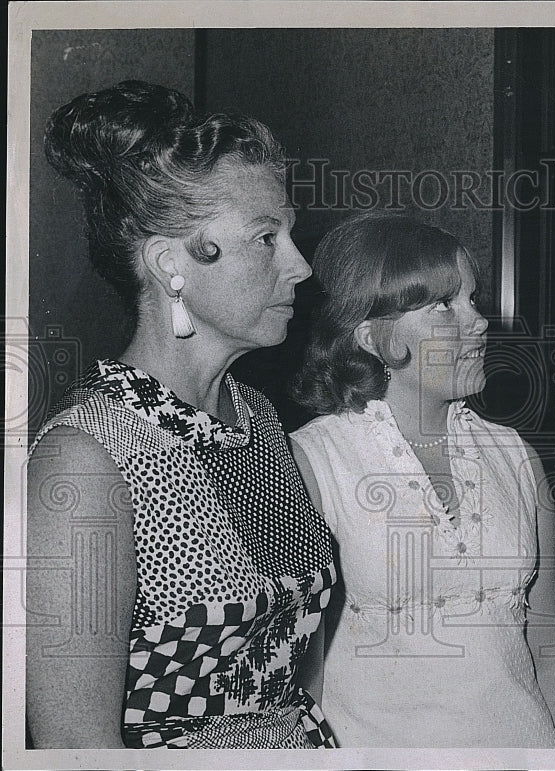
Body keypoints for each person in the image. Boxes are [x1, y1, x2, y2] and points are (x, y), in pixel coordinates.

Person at [27, 81, 336, 748]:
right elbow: (75, 751)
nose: (301, 265)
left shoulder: (256, 418)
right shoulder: (88, 458)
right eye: (266, 237)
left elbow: (296, 678)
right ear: (171, 264)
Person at [289, 211, 555, 748]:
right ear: (372, 335)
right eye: (445, 305)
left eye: (472, 299)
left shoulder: (516, 457)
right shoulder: (311, 464)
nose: (478, 321)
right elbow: (295, 681)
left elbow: (546, 644)